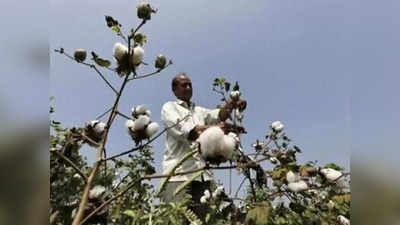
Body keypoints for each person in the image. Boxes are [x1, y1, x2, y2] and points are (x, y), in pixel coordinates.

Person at [160, 73, 246, 223]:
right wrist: (218, 129)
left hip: (202, 176)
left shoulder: (199, 111)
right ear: (174, 90)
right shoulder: (169, 108)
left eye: (190, 84)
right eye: (183, 85)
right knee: (176, 220)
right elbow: (191, 132)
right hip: (178, 176)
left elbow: (219, 115)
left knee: (206, 219)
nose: (188, 87)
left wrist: (232, 104)